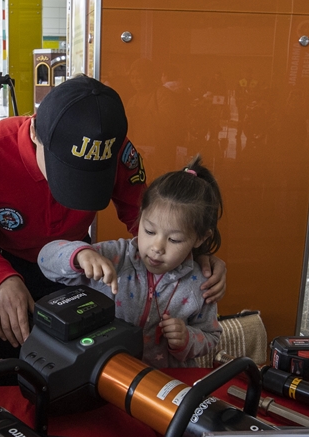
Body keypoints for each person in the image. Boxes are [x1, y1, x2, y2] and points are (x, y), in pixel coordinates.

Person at [0, 76, 226, 361]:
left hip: (71, 263)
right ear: (35, 133)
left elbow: (147, 218)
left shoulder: (113, 147)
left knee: (62, 364)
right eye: (68, 172)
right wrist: (2, 279)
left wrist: (193, 254)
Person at [38, 156, 224, 368]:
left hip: (163, 382)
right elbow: (45, 258)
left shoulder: (201, 284)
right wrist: (80, 255)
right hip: (105, 375)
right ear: (140, 216)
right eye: (149, 230)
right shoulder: (116, 256)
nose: (157, 247)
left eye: (174, 239)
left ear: (200, 238)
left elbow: (211, 336)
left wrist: (187, 338)